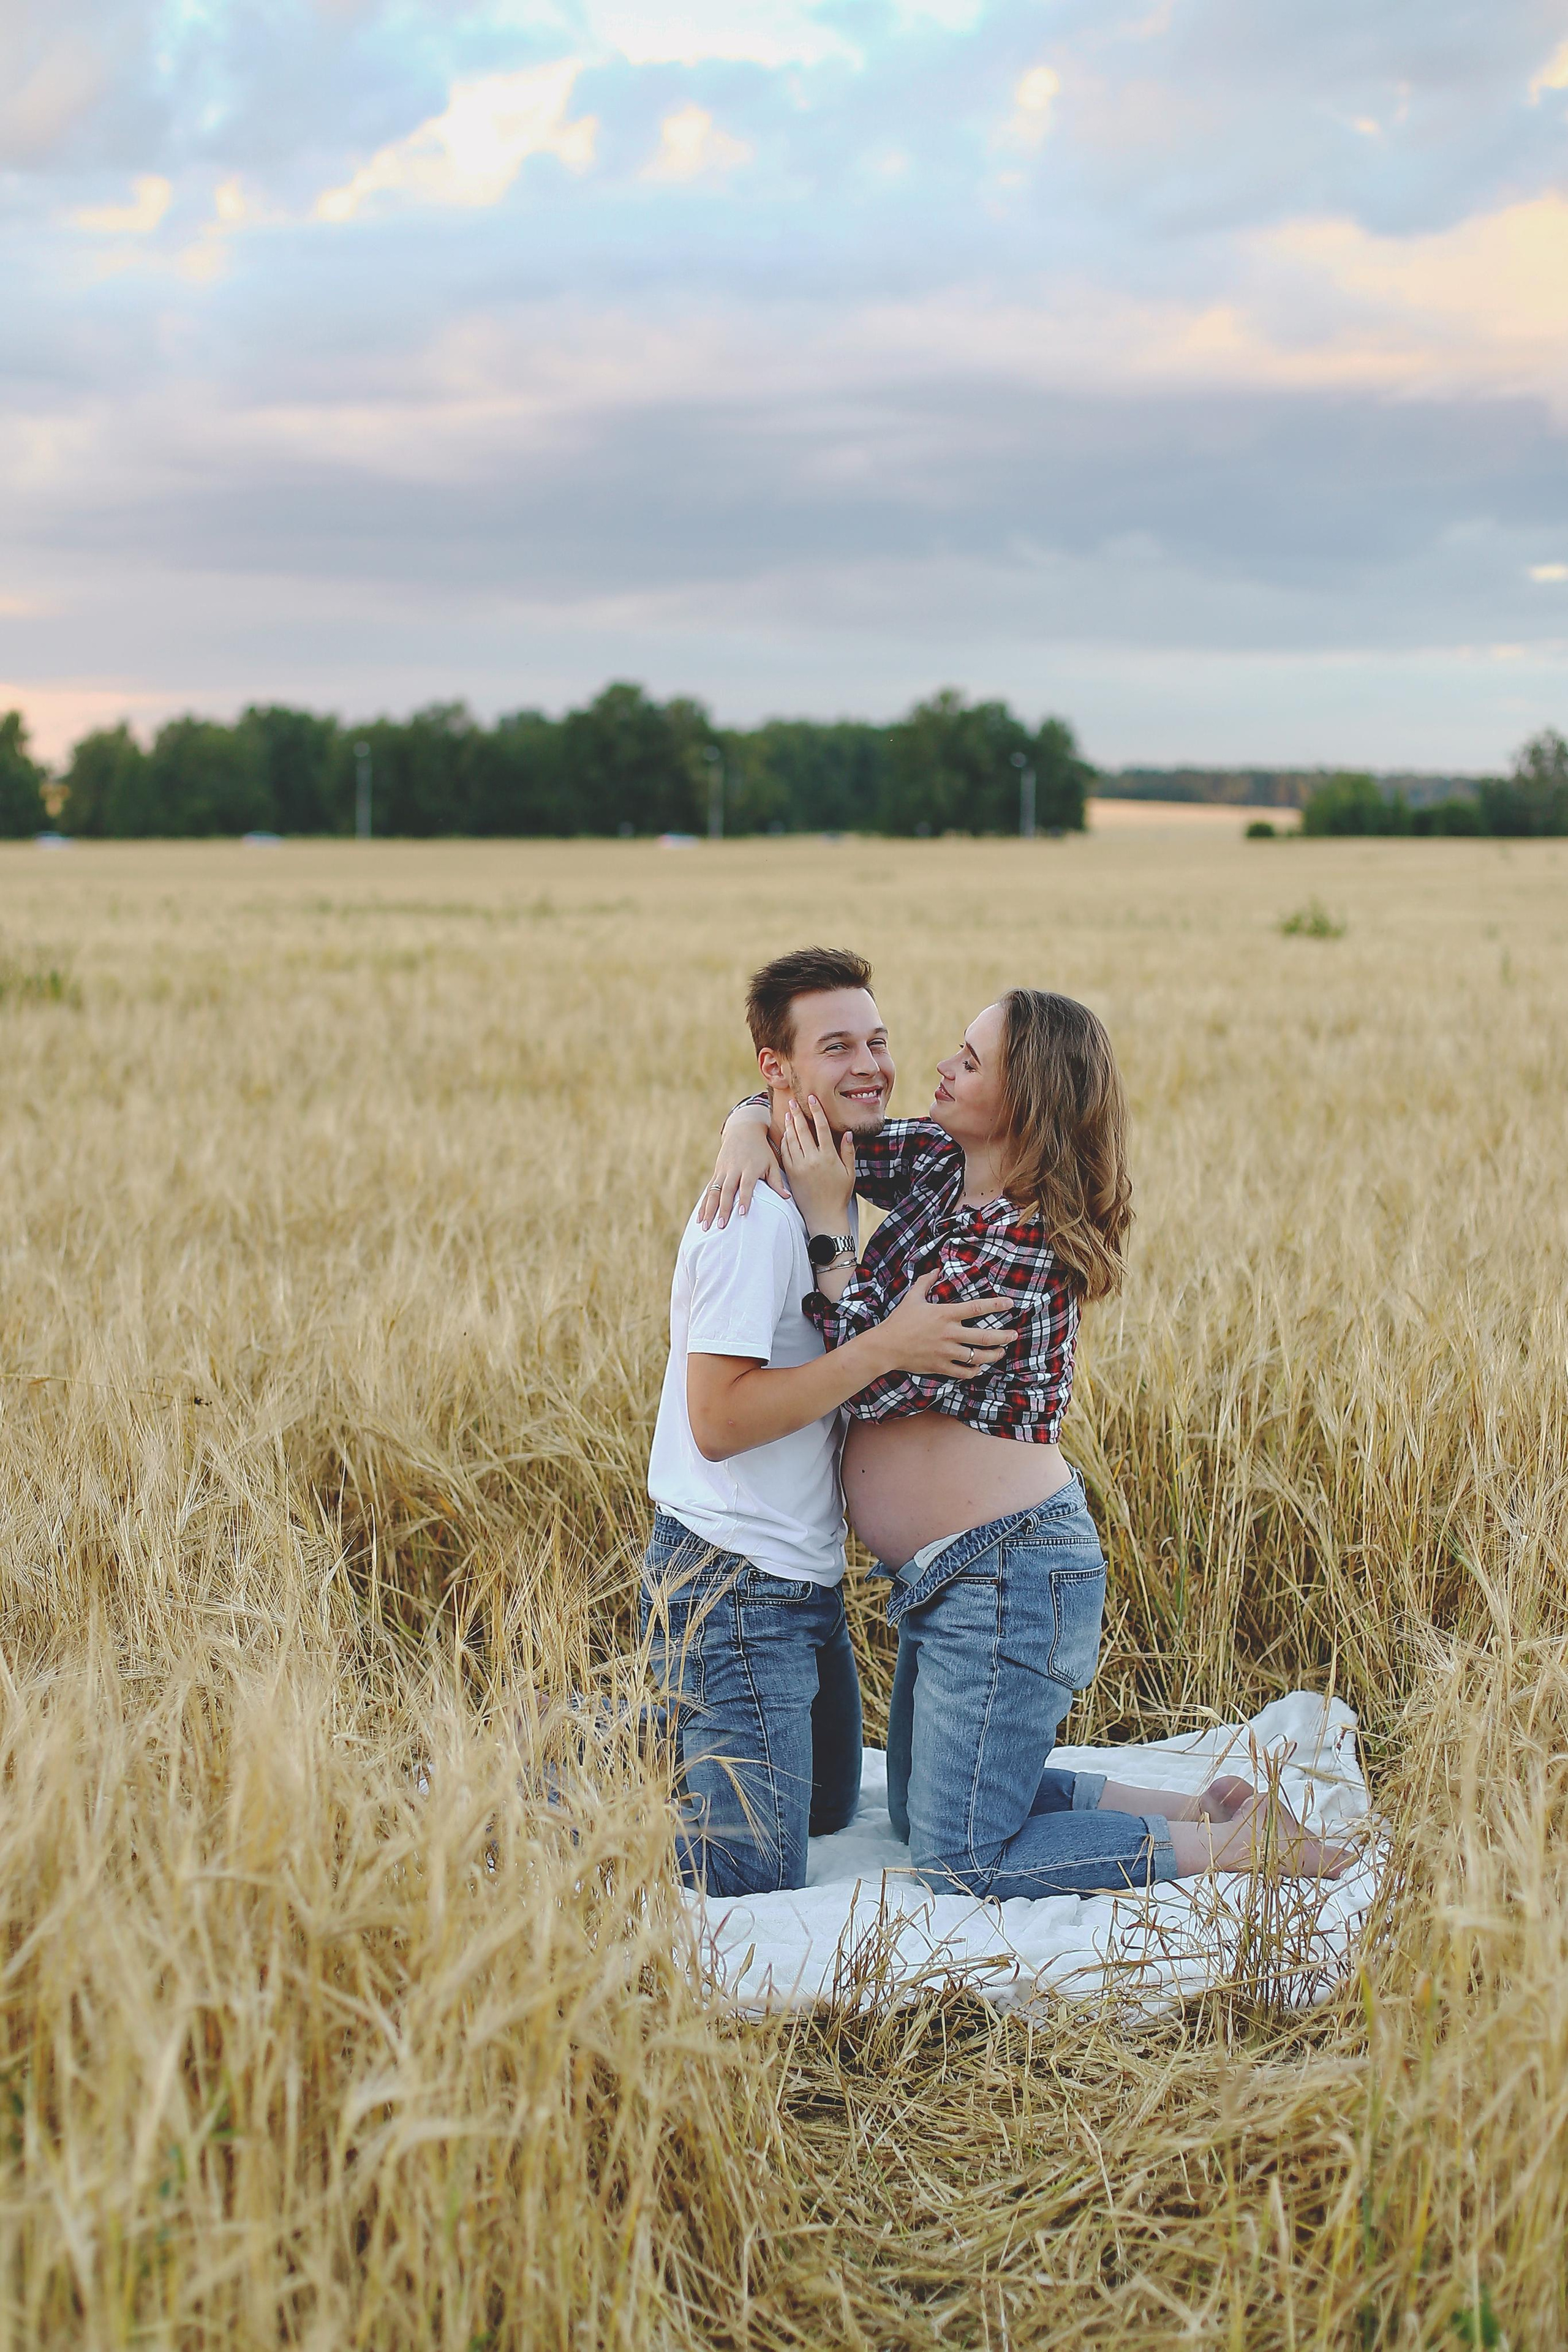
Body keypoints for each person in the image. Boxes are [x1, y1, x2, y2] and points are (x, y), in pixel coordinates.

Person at [706, 988, 1345, 1896]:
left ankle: (1233, 1851)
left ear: (1026, 1102)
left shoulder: (1024, 1245)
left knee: (962, 1858)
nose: (940, 1068)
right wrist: (743, 1129)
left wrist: (823, 1224)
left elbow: (869, 1364)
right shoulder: (937, 1162)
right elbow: (796, 1120)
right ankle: (1199, 1809)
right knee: (923, 1805)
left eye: (970, 1061)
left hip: (1010, 1575)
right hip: (949, 1573)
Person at [643, 947, 1020, 1897]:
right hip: (735, 1574)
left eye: (879, 1041)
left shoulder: (829, 1169)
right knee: (749, 1866)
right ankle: (521, 1794)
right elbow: (719, 1420)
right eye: (837, 1047)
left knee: (826, 1810)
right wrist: (888, 1344)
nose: (871, 1068)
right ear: (779, 1069)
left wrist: (749, 1121)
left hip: (801, 1579)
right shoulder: (753, 1216)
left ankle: (643, 1726)